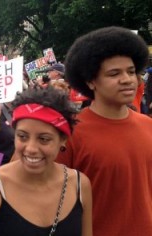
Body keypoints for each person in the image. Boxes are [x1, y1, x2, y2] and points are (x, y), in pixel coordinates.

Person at [56, 26, 152, 235]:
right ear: (91, 81)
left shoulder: (148, 126)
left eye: (131, 71)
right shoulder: (69, 134)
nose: (127, 79)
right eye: (114, 73)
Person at [0, 87, 92, 236]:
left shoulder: (80, 185)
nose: (31, 148)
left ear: (63, 140)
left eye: (44, 139)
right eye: (22, 136)